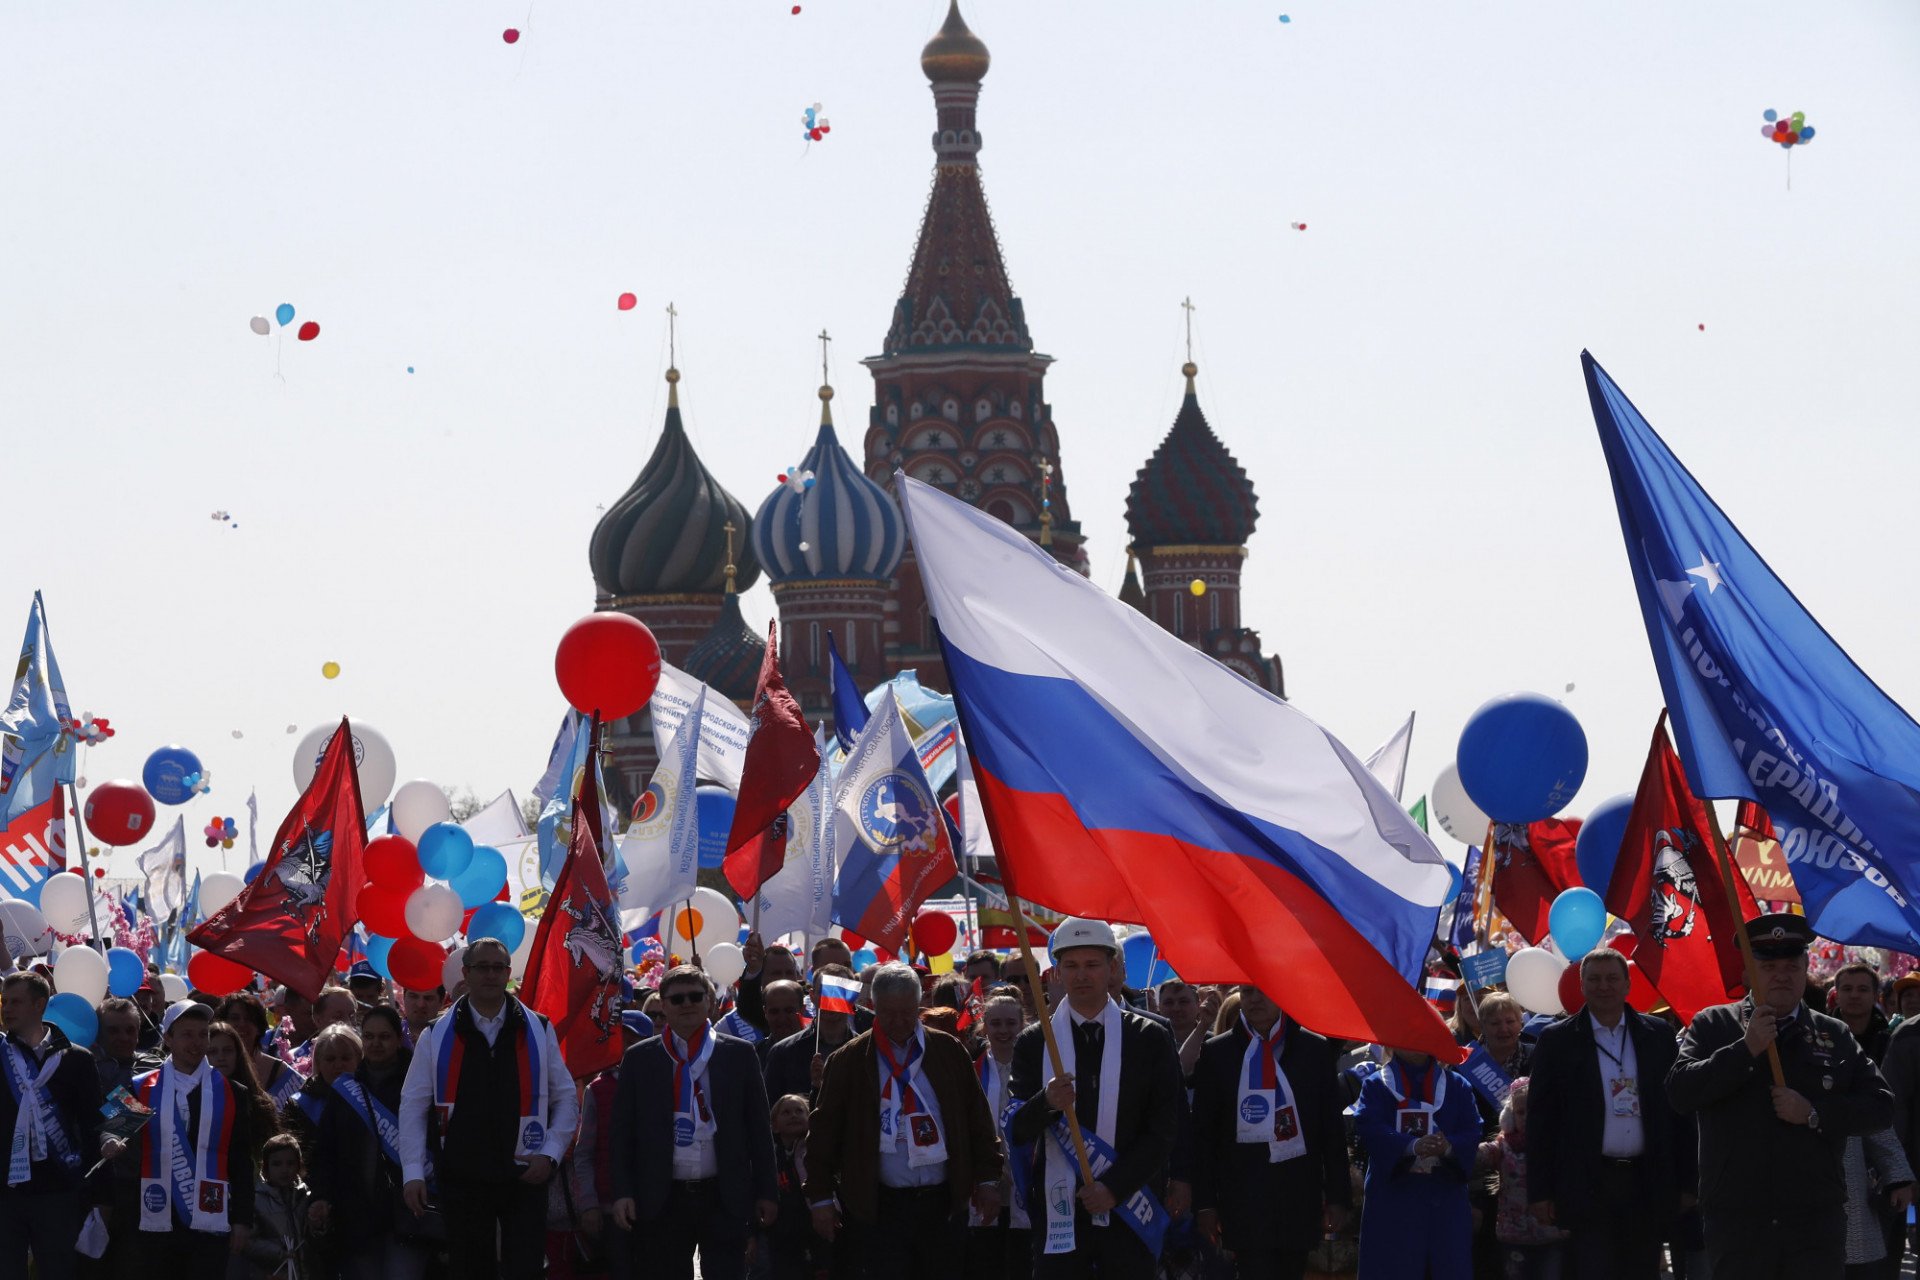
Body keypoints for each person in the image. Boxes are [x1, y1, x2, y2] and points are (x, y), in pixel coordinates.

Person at [1668, 912, 1893, 1278]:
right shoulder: (1714, 1025)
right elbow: (1679, 1092)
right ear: (1749, 973)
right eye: (1769, 966)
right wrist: (1745, 1049)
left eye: (1792, 965)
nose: (1782, 975)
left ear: (1806, 969)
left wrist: (1814, 1113)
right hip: (1738, 1221)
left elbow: (1880, 1107)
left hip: (1813, 1221)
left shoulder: (1833, 1033)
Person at [805, 961, 1003, 1280]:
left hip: (943, 1204)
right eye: (888, 1013)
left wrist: (989, 1180)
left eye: (906, 1012)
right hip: (878, 1207)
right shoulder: (849, 1061)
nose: (898, 1022)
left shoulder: (948, 1051)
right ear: (872, 1007)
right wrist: (820, 1199)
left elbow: (978, 1121)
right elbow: (823, 1136)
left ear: (920, 1004)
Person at [1007, 918, 1181, 1280]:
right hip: (1059, 1216)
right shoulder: (1034, 1042)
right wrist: (1046, 1103)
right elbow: (1017, 1130)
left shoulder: (1149, 1038)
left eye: (1092, 965)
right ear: (1057, 972)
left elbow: (1164, 1128)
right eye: (1071, 966)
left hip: (1130, 1206)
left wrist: (1113, 1188)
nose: (1081, 975)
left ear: (1113, 968)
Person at [398, 937, 578, 1280]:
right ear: (466, 973)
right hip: (462, 1177)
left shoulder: (538, 1027)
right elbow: (413, 1105)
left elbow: (566, 1098)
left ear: (509, 973)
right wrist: (413, 1172)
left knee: (525, 1270)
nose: (492, 975)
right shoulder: (437, 1034)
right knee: (469, 1269)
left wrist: (551, 1154)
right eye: (483, 967)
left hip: (526, 1175)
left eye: (500, 968)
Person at [1525, 949, 1688, 1279]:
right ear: (1582, 986)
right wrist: (1540, 1191)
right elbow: (1541, 1121)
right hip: (1587, 1183)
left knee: (1642, 1271)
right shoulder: (1557, 1040)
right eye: (1595, 979)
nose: (1604, 986)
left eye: (1613, 978)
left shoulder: (1659, 1035)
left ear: (1627, 984)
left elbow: (1680, 1114)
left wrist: (1688, 1181)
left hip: (1647, 1181)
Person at [608, 964, 777, 1280]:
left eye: (695, 997)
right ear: (663, 1004)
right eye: (676, 999)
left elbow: (759, 1129)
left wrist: (767, 1190)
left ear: (710, 1003)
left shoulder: (739, 1054)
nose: (686, 1004)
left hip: (724, 1195)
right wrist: (623, 1192)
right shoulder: (639, 1058)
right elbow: (621, 1134)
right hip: (661, 1197)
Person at [1190, 984, 1350, 1280]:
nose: (1254, 1000)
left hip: (1299, 1197)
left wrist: (1338, 1197)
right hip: (1241, 1201)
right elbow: (1203, 1136)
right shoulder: (1217, 1052)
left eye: (1264, 991)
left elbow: (1331, 1130)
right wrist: (1205, 1204)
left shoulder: (1314, 1050)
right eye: (1248, 992)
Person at [127, 1001, 256, 1279]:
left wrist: (243, 1220)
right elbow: (112, 1128)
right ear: (168, 1038)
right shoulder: (139, 1086)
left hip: (209, 1222)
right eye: (187, 1034)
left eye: (203, 1034)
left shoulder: (233, 1092)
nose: (197, 1042)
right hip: (152, 1219)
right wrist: (109, 1140)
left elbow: (242, 1161)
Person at [0, 970, 106, 1280]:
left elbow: (94, 1125)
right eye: (5, 1001)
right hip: (5, 1194)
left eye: (16, 1002)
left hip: (58, 1192)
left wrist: (101, 1195)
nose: (6, 1009)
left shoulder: (77, 1059)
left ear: (40, 1005)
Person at [1353, 1043, 1481, 1280]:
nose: (1413, 1042)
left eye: (1420, 1036)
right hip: (1392, 1199)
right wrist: (1410, 1146)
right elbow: (1369, 1126)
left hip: (1445, 1199)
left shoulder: (1457, 1084)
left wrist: (1449, 1146)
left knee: (1448, 1269)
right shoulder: (1375, 1084)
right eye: (1405, 1036)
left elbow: (1473, 1129)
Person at [1475, 1078, 1567, 1280]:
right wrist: (1464, 1149)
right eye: (1520, 1112)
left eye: (1532, 1111)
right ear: (1509, 1116)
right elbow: (1484, 1154)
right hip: (1514, 1237)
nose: (1526, 1117)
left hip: (1552, 1236)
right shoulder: (1504, 1146)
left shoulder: (1558, 1146)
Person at [968, 989, 1031, 1280]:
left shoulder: (1036, 1072)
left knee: (1021, 1261)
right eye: (995, 1024)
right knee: (987, 1261)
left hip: (1026, 1179)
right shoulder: (971, 1073)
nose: (1003, 1031)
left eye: (1010, 1023)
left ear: (1023, 1024)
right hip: (986, 1181)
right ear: (984, 1026)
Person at [764, 964, 859, 1105]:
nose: (831, 1000)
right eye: (825, 992)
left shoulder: (866, 1050)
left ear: (851, 997)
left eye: (839, 992)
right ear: (813, 996)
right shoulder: (785, 1051)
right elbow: (768, 1109)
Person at [205, 1021, 282, 1169]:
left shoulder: (260, 1103)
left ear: (238, 1054)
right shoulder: (190, 1097)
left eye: (227, 1050)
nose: (221, 1057)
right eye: (212, 1051)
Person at [217, 994, 305, 1111]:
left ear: (259, 1027)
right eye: (234, 1018)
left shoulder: (280, 1072)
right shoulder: (212, 1066)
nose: (242, 1024)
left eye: (249, 1019)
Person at [767, 1094, 821, 1280]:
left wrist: (815, 1088)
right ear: (774, 1125)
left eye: (800, 1111)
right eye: (786, 1112)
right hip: (782, 1240)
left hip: (817, 1233)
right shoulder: (770, 1159)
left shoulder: (814, 1151)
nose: (794, 1115)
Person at [242, 1133, 311, 1280]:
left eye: (290, 1163)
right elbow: (248, 1242)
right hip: (272, 1274)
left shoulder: (306, 1198)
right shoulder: (256, 1200)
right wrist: (279, 1252)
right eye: (277, 1164)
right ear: (265, 1168)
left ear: (299, 1165)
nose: (284, 1170)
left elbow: (317, 1238)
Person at [1832, 962, 1893, 1065]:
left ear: (1875, 997)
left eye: (1862, 990)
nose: (1854, 995)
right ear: (1836, 996)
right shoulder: (1819, 1035)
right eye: (1847, 989)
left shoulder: (1889, 1042)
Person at [94, 997, 147, 1099]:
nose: (124, 1038)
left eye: (130, 1030)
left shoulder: (153, 1066)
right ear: (98, 1033)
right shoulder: (82, 1069)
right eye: (113, 1031)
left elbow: (133, 1114)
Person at [758, 981, 809, 1068]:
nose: (782, 1018)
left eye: (789, 1011)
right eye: (774, 1012)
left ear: (803, 1009)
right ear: (765, 1013)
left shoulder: (817, 1052)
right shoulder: (755, 1055)